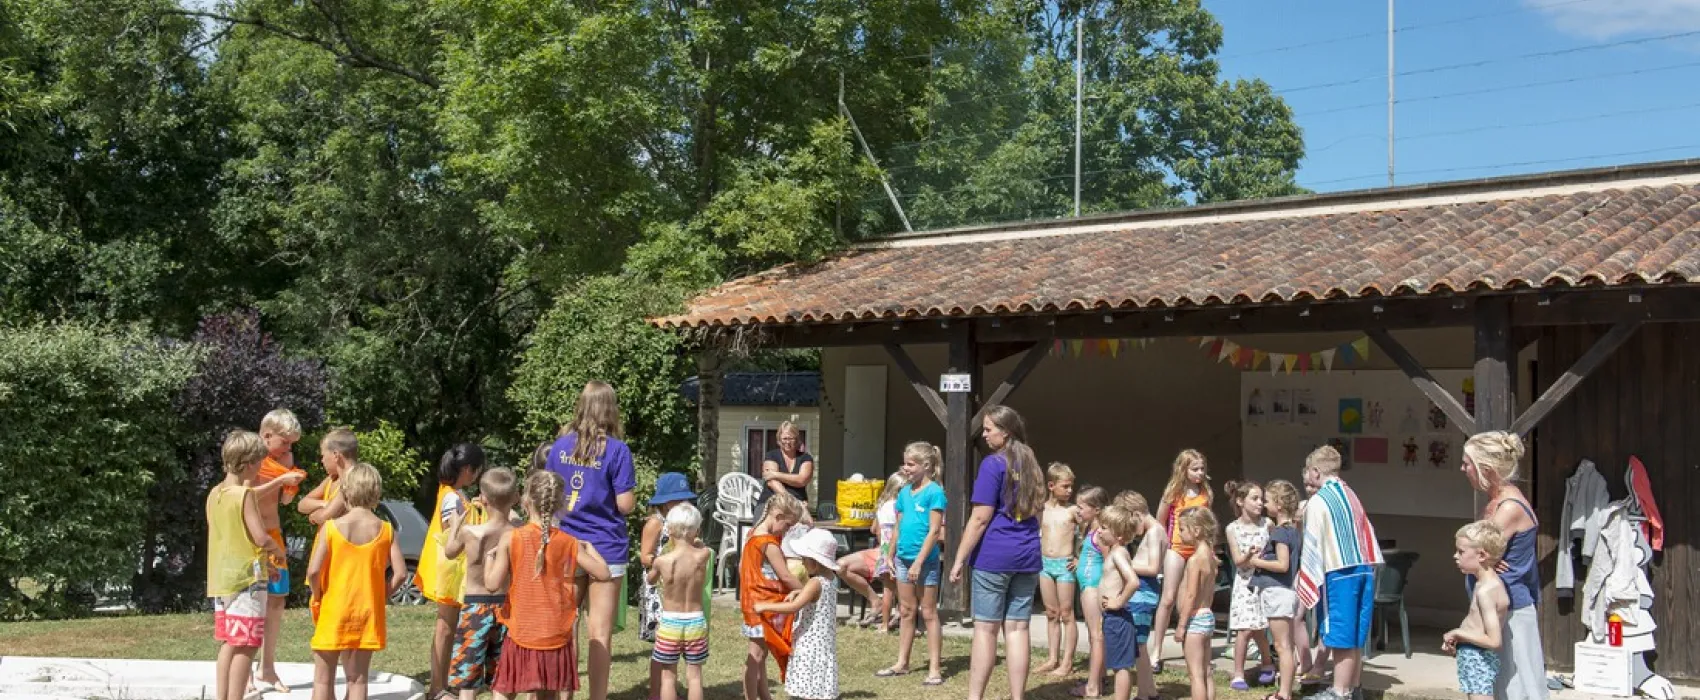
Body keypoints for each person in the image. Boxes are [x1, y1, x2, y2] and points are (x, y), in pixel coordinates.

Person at [544, 381, 639, 700]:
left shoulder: (559, 447)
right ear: (611, 408)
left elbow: (548, 494)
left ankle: (563, 693)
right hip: (606, 547)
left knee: (565, 627)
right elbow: (625, 505)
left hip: (565, 543)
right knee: (600, 633)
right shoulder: (618, 450)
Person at [484, 470, 612, 700]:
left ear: (525, 499)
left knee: (504, 689)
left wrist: (489, 558)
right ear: (560, 503)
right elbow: (603, 573)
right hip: (555, 633)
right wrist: (590, 549)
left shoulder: (511, 538)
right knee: (549, 692)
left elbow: (492, 584)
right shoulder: (569, 541)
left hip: (522, 631)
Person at [950, 404, 1046, 700]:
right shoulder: (1032, 464)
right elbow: (1039, 514)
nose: (985, 434)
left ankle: (975, 697)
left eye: (989, 429)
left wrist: (958, 559)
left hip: (994, 555)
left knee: (986, 630)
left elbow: (980, 518)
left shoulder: (993, 464)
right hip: (1027, 556)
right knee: (1017, 629)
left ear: (1005, 433)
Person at [306, 462, 408, 700]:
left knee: (323, 678)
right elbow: (401, 573)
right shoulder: (385, 529)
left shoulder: (330, 528)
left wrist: (317, 592)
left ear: (345, 492)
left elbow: (313, 570)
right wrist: (380, 596)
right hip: (366, 613)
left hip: (334, 609)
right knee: (358, 679)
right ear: (376, 494)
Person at [1460, 432, 1546, 700]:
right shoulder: (1497, 502)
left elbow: (1475, 551)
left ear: (1486, 469)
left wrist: (1478, 557)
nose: (1463, 469)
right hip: (1497, 608)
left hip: (1511, 611)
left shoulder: (1508, 508)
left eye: (1467, 463)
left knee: (1517, 688)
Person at [1297, 446, 1383, 700]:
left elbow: (1311, 543)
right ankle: (1354, 687)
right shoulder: (1350, 493)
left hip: (1339, 571)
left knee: (1341, 634)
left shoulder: (1320, 499)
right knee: (1355, 633)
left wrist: (1307, 579)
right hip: (1364, 568)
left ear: (1314, 471)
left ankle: (1339, 691)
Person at [207, 430, 288, 700]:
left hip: (222, 580)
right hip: (246, 582)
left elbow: (228, 536)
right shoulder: (244, 495)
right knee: (247, 644)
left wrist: (267, 565)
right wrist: (277, 552)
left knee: (230, 642)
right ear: (250, 463)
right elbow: (260, 536)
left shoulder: (215, 494)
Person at [443, 468, 520, 700]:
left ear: (483, 499)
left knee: (468, 679)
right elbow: (514, 516)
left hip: (474, 608)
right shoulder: (516, 531)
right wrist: (509, 503)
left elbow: (449, 552)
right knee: (503, 678)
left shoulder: (470, 532)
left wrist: (457, 522)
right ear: (515, 498)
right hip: (506, 607)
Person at [420, 443, 487, 700]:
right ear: (468, 469)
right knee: (446, 627)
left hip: (453, 571)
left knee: (450, 627)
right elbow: (453, 533)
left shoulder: (455, 494)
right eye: (478, 470)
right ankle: (437, 687)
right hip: (449, 573)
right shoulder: (451, 497)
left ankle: (445, 683)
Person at [880, 442, 947, 684]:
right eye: (905, 463)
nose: (906, 468)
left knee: (928, 612)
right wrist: (889, 553)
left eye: (911, 464)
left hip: (925, 561)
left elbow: (934, 531)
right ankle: (902, 662)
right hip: (902, 559)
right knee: (906, 611)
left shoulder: (935, 492)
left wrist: (919, 562)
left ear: (926, 466)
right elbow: (898, 525)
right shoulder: (904, 493)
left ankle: (935, 668)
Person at [254, 409, 308, 693]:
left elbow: (285, 501)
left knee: (276, 601)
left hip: (274, 536)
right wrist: (279, 480)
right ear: (267, 435)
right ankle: (248, 673)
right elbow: (244, 497)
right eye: (284, 442)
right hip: (250, 539)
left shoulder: (280, 462)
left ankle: (267, 668)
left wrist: (290, 480)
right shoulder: (250, 458)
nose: (288, 448)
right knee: (251, 603)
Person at [754, 529, 842, 700]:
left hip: (809, 642)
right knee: (818, 682)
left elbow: (794, 607)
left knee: (805, 686)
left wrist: (764, 606)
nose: (801, 562)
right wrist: (799, 592)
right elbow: (812, 597)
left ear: (815, 563)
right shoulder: (831, 578)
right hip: (824, 642)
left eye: (804, 559)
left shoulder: (815, 582)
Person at [740, 491, 806, 700]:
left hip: (753, 601)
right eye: (787, 526)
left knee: (760, 655)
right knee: (756, 656)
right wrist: (808, 592)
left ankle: (765, 696)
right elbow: (785, 576)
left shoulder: (753, 533)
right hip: (761, 604)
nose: (786, 532)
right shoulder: (767, 542)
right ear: (777, 516)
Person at [1149, 449, 1211, 667]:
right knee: (1167, 598)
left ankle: (1189, 646)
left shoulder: (1205, 493)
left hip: (1196, 550)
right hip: (1176, 547)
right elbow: (1160, 521)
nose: (1200, 473)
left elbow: (1207, 523)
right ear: (1183, 470)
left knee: (1188, 600)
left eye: (1202, 468)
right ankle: (1156, 650)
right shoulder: (1174, 492)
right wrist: (1159, 551)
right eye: (1195, 469)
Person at [640, 473, 699, 695]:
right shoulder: (655, 523)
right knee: (661, 647)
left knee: (674, 645)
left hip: (676, 586)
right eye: (679, 499)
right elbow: (644, 556)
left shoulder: (682, 523)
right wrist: (665, 562)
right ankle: (657, 691)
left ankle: (669, 689)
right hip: (657, 589)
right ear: (666, 503)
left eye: (687, 500)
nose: (685, 504)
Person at [649, 503, 713, 700]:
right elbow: (703, 546)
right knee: (694, 676)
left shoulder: (663, 561)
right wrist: (697, 541)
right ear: (697, 530)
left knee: (668, 676)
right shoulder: (703, 555)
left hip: (670, 622)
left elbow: (650, 579)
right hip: (695, 620)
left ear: (669, 529)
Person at [1249, 480, 1304, 700]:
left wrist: (1256, 561)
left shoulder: (1280, 533)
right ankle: (1284, 690)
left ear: (1279, 505)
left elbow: (1282, 565)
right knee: (1285, 645)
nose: (1263, 504)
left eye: (1268, 500)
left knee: (1282, 646)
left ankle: (1284, 694)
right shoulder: (1293, 531)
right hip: (1286, 592)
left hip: (1277, 591)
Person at [1447, 521, 1509, 700]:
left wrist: (1458, 632)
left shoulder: (1486, 591)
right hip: (1472, 653)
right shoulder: (1486, 584)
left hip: (1478, 657)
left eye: (1461, 552)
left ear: (1481, 555)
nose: (1455, 556)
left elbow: (1494, 640)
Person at [1223, 480, 1276, 690]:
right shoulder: (1232, 528)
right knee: (1244, 630)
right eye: (1254, 498)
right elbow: (1237, 560)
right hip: (1245, 583)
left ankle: (1267, 663)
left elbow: (1276, 551)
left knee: (1260, 629)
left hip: (1264, 582)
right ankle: (1238, 673)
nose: (1260, 503)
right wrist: (1249, 554)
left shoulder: (1267, 524)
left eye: (1262, 499)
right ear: (1240, 501)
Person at [840, 472, 906, 632]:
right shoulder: (901, 506)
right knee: (894, 586)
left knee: (888, 587)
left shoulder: (882, 505)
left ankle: (888, 617)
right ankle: (896, 616)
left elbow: (873, 529)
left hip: (883, 550)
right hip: (896, 550)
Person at [1120, 492, 1165, 700]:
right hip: (1142, 592)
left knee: (1138, 645)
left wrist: (1124, 563)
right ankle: (1149, 691)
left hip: (1144, 593)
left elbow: (1154, 567)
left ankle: (1144, 694)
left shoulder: (1155, 531)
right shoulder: (1153, 531)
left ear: (1137, 514)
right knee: (1140, 645)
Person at [1095, 505, 1143, 700]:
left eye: (1104, 528)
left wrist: (1119, 601)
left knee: (1121, 666)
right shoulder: (1114, 552)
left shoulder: (1118, 553)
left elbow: (1133, 581)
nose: (1099, 530)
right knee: (1117, 664)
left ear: (1120, 536)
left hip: (1118, 617)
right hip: (1111, 617)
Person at [1173, 507, 1220, 700]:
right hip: (1207, 616)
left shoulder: (1195, 560)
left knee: (1195, 675)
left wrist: (1181, 625)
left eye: (1182, 529)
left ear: (1197, 530)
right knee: (1206, 671)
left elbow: (1191, 594)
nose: (1179, 533)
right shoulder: (1211, 557)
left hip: (1194, 620)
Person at [1037, 463, 1079, 678]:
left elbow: (1091, 529)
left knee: (1066, 613)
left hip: (1064, 565)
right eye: (1065, 486)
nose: (1070, 490)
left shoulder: (1073, 511)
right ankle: (1052, 658)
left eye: (1071, 486)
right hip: (1045, 564)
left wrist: (1079, 556)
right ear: (1051, 485)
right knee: (1051, 613)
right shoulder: (1041, 509)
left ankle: (1067, 661)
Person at [1071, 486, 1110, 699]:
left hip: (1094, 588)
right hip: (1088, 585)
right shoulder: (1090, 530)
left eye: (1081, 507)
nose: (1077, 510)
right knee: (1095, 634)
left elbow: (1110, 561)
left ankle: (1093, 687)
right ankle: (1099, 677)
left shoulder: (1101, 534)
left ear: (1096, 509)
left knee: (1097, 636)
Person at [298, 428, 359, 526]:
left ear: (336, 455)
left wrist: (318, 512)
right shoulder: (331, 479)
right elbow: (302, 505)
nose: (322, 460)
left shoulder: (354, 480)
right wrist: (325, 504)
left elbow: (324, 516)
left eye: (323, 456)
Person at [758, 421, 814, 509]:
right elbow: (772, 482)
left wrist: (776, 474)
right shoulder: (771, 455)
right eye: (784, 439)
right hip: (771, 503)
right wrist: (791, 501)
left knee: (809, 522)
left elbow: (802, 480)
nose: (787, 442)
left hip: (798, 506)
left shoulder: (805, 458)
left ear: (796, 439)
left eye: (791, 438)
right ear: (779, 440)